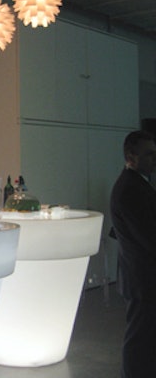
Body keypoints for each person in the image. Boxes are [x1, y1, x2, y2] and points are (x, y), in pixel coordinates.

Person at [110, 130, 156, 378]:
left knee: (143, 339)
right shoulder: (131, 189)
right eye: (149, 154)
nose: (154, 159)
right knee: (139, 341)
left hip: (141, 277)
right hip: (142, 278)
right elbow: (148, 236)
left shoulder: (135, 185)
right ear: (131, 156)